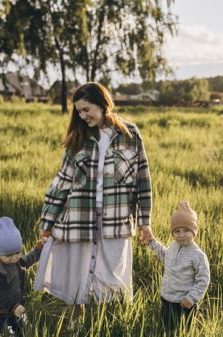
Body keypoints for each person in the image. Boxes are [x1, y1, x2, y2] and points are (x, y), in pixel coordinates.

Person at [33, 82, 153, 313]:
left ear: (102, 104)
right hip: (79, 217)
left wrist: (144, 221)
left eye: (86, 109)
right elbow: (61, 184)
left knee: (111, 276)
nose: (82, 115)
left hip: (116, 219)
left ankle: (107, 321)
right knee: (76, 274)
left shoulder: (130, 135)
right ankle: (77, 322)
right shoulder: (78, 139)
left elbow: (143, 181)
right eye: (79, 111)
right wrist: (46, 225)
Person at [144, 201, 210, 334]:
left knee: (183, 331)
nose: (181, 235)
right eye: (177, 231)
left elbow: (203, 279)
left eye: (186, 230)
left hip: (184, 303)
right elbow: (165, 255)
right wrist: (152, 242)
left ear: (194, 231)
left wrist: (191, 298)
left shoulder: (198, 255)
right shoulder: (174, 246)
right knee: (165, 329)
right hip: (167, 298)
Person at [0, 217, 45, 336]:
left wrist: (39, 249)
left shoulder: (17, 261)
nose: (14, 258)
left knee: (19, 330)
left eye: (17, 252)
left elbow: (28, 259)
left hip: (16, 307)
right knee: (5, 332)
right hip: (1, 311)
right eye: (9, 255)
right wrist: (14, 306)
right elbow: (0, 294)